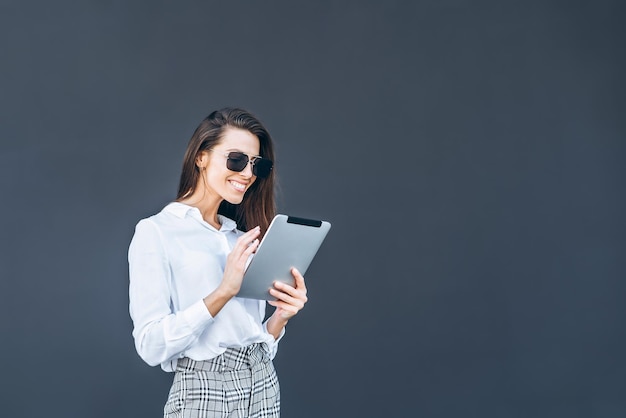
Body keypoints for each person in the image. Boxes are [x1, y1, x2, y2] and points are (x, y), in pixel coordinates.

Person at [128, 107, 308, 417]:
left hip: (262, 382)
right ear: (202, 156)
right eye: (236, 159)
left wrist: (280, 319)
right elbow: (151, 345)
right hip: (204, 390)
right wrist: (223, 292)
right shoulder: (157, 231)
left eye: (257, 165)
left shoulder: (239, 237)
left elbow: (252, 337)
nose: (248, 174)